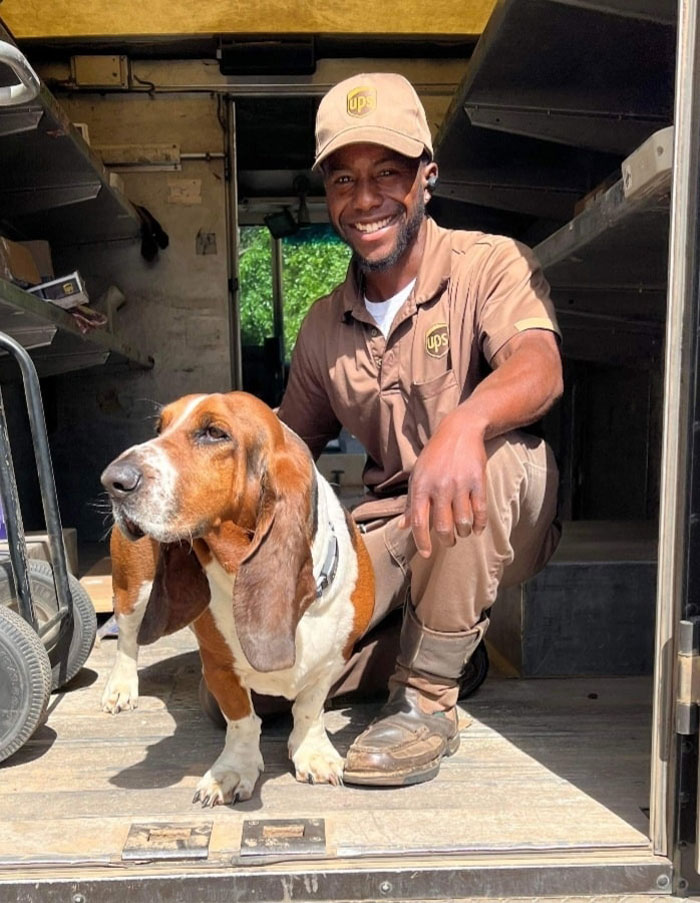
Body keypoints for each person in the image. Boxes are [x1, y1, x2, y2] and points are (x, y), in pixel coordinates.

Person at [277, 72, 563, 787]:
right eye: (344, 178)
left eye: (388, 174)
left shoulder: (489, 264)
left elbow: (540, 365)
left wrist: (467, 421)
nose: (365, 199)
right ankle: (435, 646)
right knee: (257, 685)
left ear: (427, 178)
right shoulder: (321, 324)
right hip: (393, 532)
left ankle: (426, 696)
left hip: (491, 514)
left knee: (492, 456)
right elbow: (286, 452)